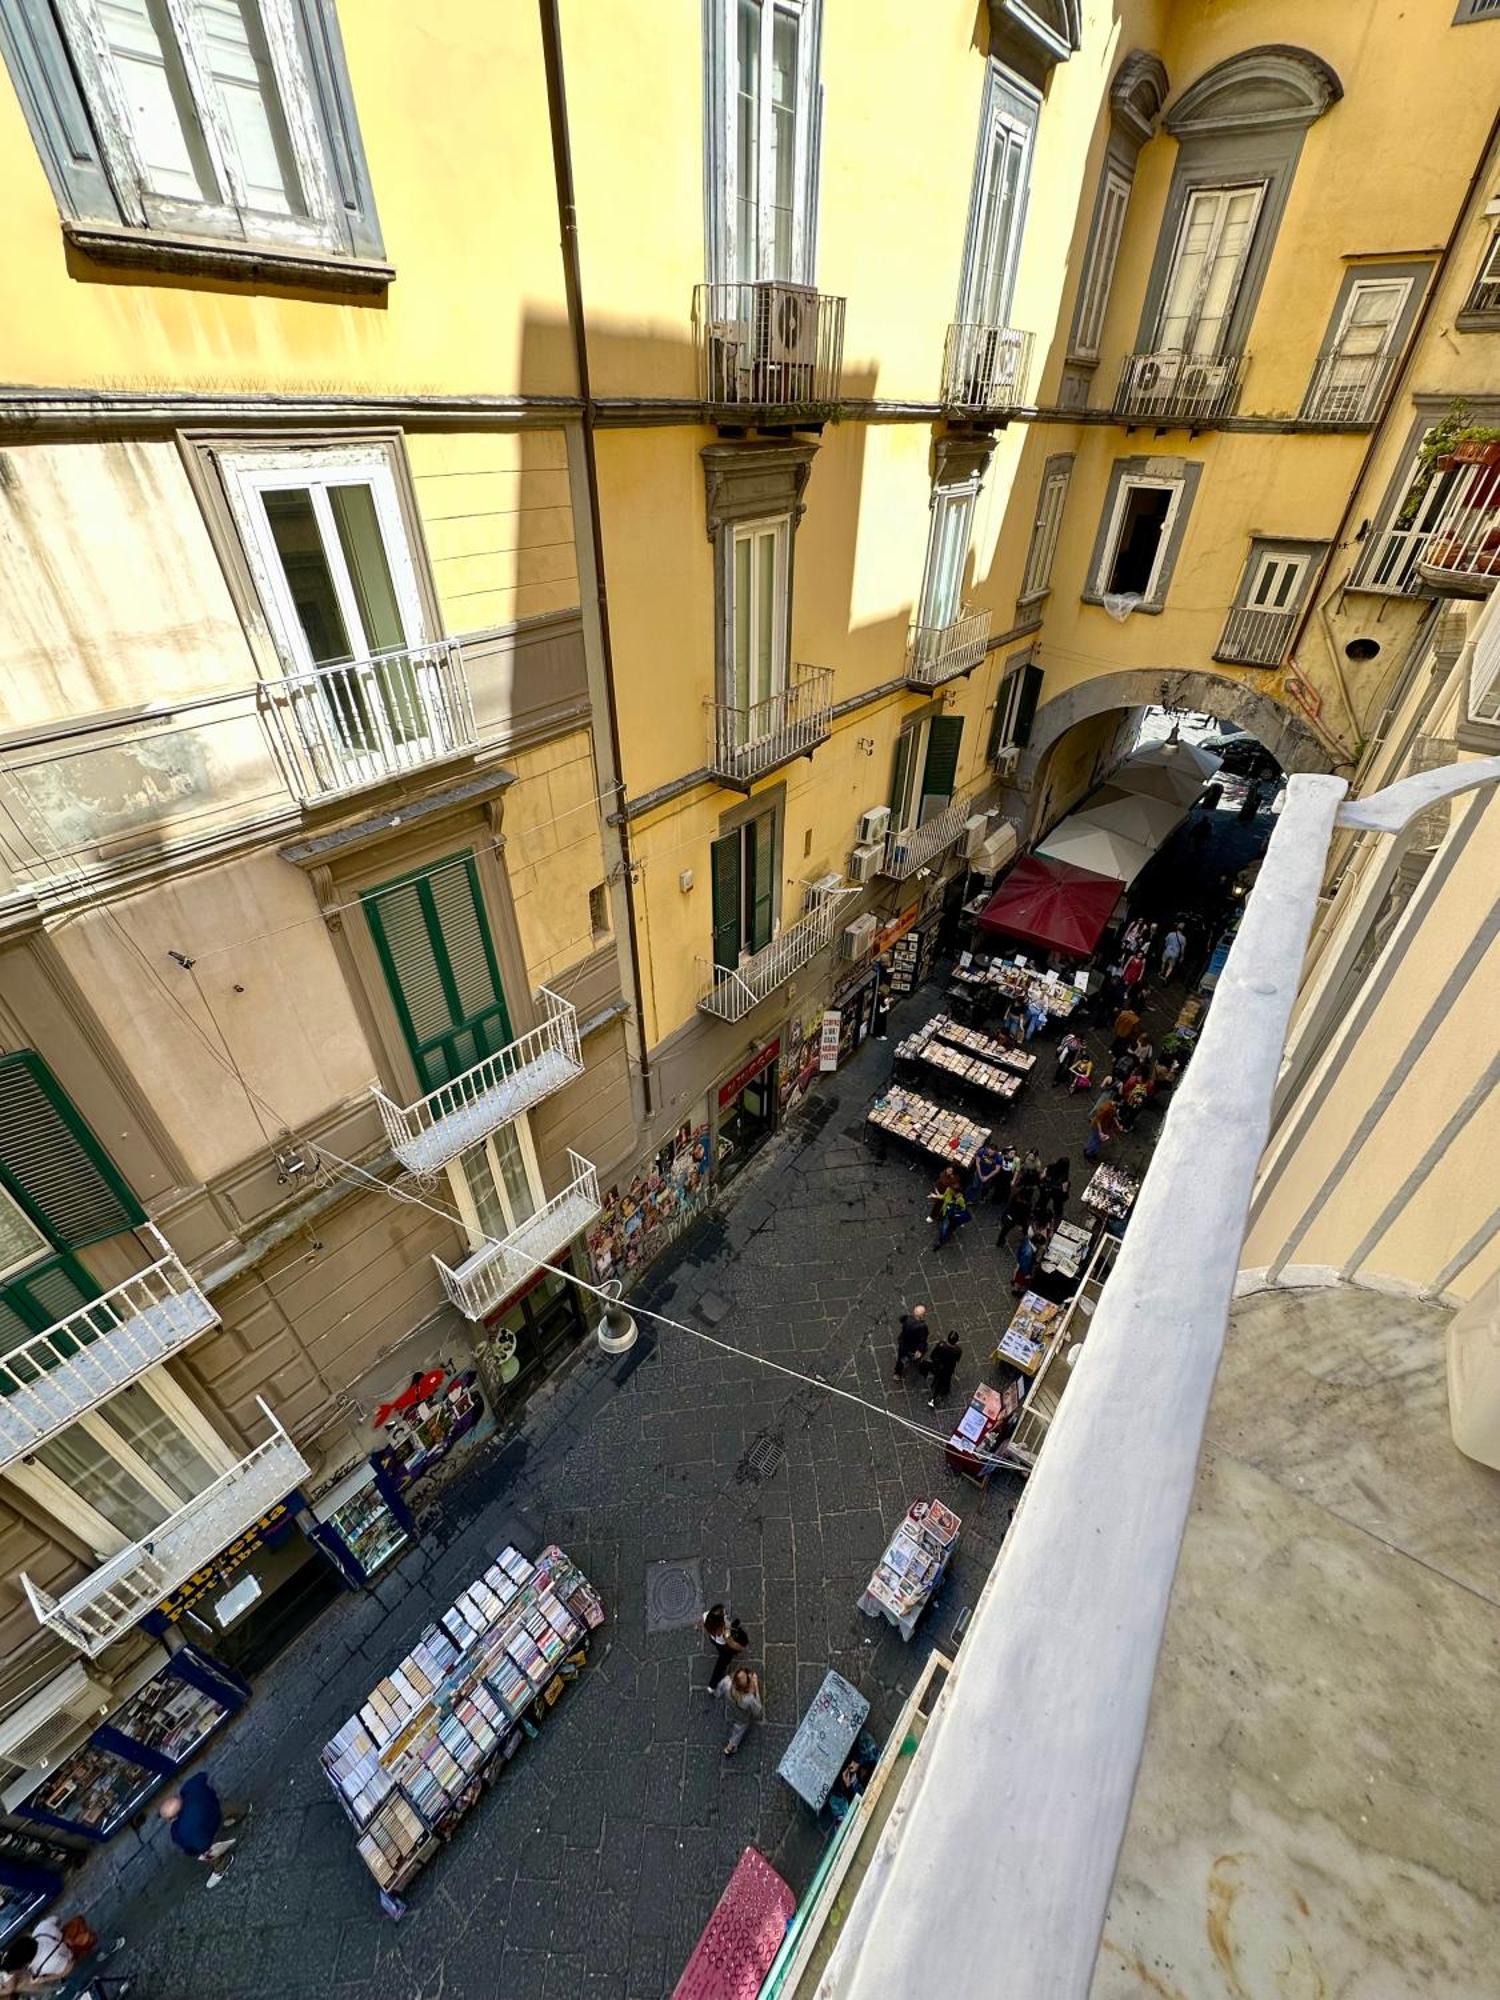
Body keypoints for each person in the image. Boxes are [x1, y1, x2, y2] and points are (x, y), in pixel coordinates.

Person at [159, 1773, 249, 1887]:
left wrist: (198, 1850)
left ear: (173, 1818)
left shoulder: (178, 1831)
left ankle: (222, 1864)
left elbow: (190, 1848)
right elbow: (202, 1777)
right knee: (226, 1808)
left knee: (207, 1853)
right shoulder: (191, 1788)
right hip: (215, 1810)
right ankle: (243, 1810)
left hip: (207, 1836)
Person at [0, 1918, 127, 1997]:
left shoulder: (43, 1966)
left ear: (24, 1963)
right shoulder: (40, 1929)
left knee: (78, 1976)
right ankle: (111, 1944)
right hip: (67, 1937)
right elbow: (56, 1919)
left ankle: (111, 1946)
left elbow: (68, 1967)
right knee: (91, 1939)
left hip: (69, 1955)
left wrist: (44, 1979)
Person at [702, 1604, 748, 1693]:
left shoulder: (707, 1617)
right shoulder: (724, 1633)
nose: (725, 1613)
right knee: (721, 1663)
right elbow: (732, 1644)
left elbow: (701, 1622)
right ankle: (712, 1685)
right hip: (724, 1647)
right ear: (720, 1623)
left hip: (714, 1640)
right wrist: (741, 1648)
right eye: (724, 1614)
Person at [719, 1666, 764, 1756]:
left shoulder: (727, 1682)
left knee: (734, 1721)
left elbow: (719, 1689)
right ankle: (731, 1746)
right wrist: (756, 1687)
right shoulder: (748, 1699)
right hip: (742, 1717)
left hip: (731, 1709)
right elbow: (758, 1710)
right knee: (739, 1730)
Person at [925, 1332, 962, 1408]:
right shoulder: (958, 1350)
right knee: (945, 1380)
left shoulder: (941, 1345)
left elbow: (932, 1355)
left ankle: (935, 1391)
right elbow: (957, 1360)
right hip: (948, 1369)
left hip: (938, 1366)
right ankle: (940, 1392)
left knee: (938, 1378)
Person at [994, 1181, 1034, 1250]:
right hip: (1014, 1216)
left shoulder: (1024, 1203)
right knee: (1006, 1229)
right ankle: (1000, 1241)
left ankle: (1025, 1236)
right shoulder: (1017, 1199)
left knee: (1022, 1227)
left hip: (1019, 1216)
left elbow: (1026, 1214)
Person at [933, 1176, 971, 1249]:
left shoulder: (960, 1199)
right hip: (946, 1212)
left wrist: (956, 1206)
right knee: (943, 1228)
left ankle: (941, 1241)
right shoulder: (948, 1190)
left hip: (953, 1215)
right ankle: (941, 1240)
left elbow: (963, 1208)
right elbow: (944, 1197)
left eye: (951, 1189)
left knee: (946, 1228)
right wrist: (936, 1195)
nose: (949, 1189)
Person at [894, 1305, 929, 1381]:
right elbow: (923, 1340)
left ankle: (897, 1373)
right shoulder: (922, 1327)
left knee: (900, 1358)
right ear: (922, 1316)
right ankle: (915, 1360)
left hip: (903, 1343)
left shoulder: (907, 1318)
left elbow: (901, 1319)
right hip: (913, 1346)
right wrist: (919, 1350)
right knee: (918, 1354)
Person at [1085, 1091, 1120, 1161]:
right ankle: (1089, 1154)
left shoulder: (1113, 1107)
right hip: (1098, 1127)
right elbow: (1098, 1119)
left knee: (1095, 1140)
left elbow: (1114, 1116)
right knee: (1095, 1141)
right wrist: (1100, 1132)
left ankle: (1089, 1150)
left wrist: (1118, 1124)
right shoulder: (1106, 1108)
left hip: (1104, 1127)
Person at [968, 1141, 1007, 1206]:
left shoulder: (998, 1158)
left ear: (995, 1152)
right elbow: (977, 1163)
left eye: (992, 1152)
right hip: (979, 1172)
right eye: (989, 1151)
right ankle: (971, 1199)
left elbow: (997, 1170)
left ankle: (983, 1197)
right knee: (975, 1186)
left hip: (989, 1175)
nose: (990, 1153)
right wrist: (980, 1174)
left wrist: (987, 1177)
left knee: (986, 1187)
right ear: (987, 1149)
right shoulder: (982, 1151)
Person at [1040, 1157, 1071, 1225]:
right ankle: (1057, 1217)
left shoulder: (1051, 1167)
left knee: (1043, 1201)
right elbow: (1064, 1189)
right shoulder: (1064, 1176)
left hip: (1047, 1189)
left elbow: (1042, 1176)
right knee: (1058, 1207)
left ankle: (1040, 1211)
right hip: (1057, 1193)